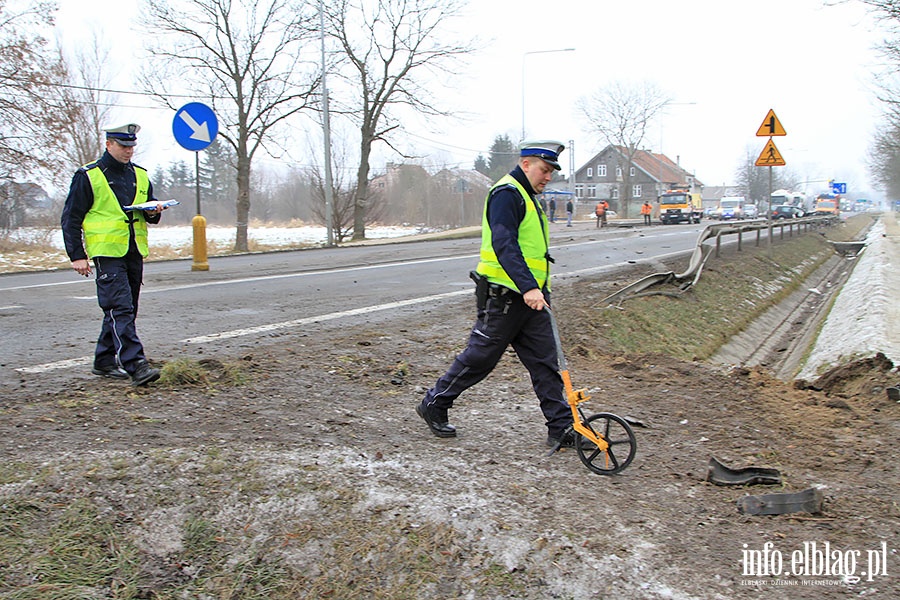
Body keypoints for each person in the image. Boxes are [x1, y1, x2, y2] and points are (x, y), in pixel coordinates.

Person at [416, 140, 575, 449]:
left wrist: (535, 289)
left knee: (545, 362)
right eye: (544, 170)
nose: (548, 177)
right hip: (504, 297)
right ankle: (434, 403)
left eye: (551, 172)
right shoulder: (507, 194)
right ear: (526, 164)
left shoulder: (527, 196)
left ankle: (561, 426)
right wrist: (528, 286)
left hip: (533, 299)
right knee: (480, 358)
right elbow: (504, 244)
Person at [60, 123, 170, 386]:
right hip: (106, 253)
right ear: (109, 144)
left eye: (132, 146)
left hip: (133, 250)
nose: (128, 151)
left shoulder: (140, 175)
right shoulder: (88, 175)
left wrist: (154, 212)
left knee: (125, 310)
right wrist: (77, 255)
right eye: (123, 146)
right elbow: (71, 218)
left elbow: (146, 211)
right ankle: (136, 364)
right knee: (120, 308)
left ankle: (104, 360)